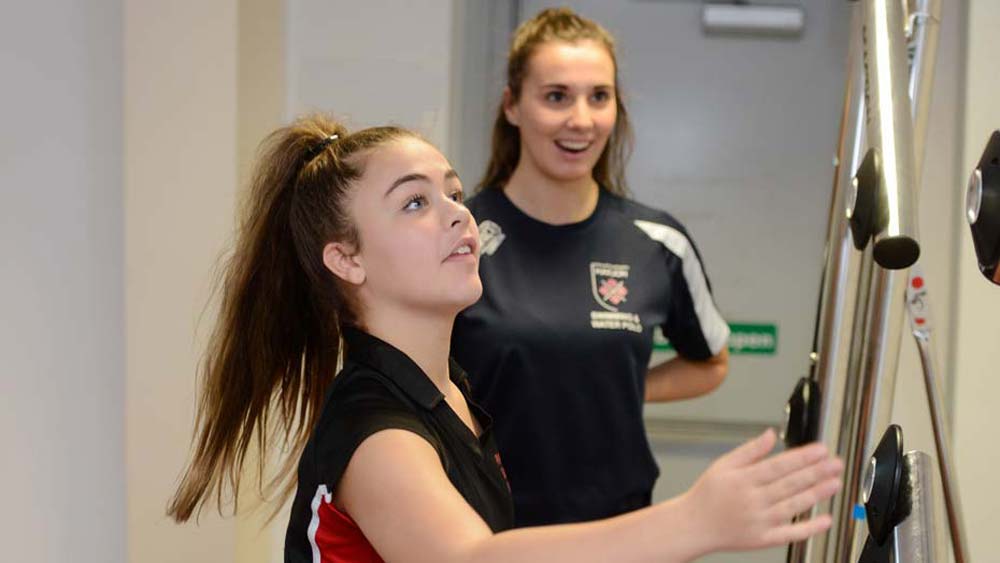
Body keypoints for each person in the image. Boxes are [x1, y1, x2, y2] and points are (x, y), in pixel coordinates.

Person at [167, 114, 842, 562]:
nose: (456, 214)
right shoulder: (374, 426)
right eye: (414, 202)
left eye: (453, 193)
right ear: (348, 259)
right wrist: (694, 520)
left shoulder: (453, 389)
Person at [452, 7, 732, 526]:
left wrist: (610, 381)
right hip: (487, 533)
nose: (581, 119)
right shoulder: (459, 237)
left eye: (598, 97)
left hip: (618, 531)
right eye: (556, 96)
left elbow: (710, 363)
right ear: (512, 106)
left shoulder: (658, 242)